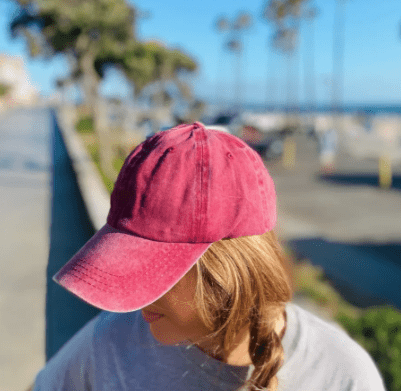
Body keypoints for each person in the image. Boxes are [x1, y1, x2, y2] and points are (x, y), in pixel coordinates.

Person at [32, 122, 386, 391]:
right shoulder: (112, 340)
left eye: (150, 271)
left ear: (226, 269)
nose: (136, 300)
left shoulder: (341, 375)